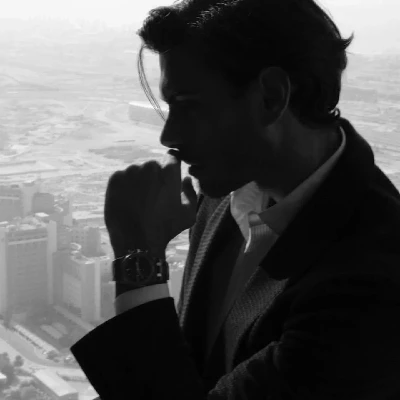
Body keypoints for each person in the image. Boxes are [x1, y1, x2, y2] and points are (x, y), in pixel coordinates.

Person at [70, 0, 400, 399]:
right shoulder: (228, 188)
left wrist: (138, 258)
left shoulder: (373, 286)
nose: (168, 135)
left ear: (271, 97)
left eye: (188, 104)